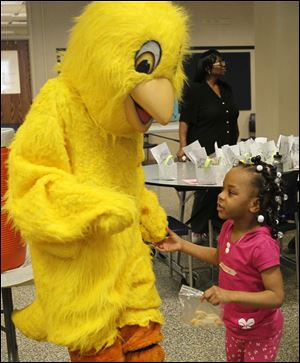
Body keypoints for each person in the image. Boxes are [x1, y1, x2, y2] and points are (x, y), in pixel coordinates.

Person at [154, 156, 285, 362]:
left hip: (260, 331)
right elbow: (220, 257)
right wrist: (182, 244)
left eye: (231, 192)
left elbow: (276, 296)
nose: (221, 196)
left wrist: (228, 295)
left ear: (254, 204)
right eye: (222, 189)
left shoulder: (262, 245)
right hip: (234, 324)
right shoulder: (228, 228)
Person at [177, 48, 239, 242]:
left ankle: (220, 225)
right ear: (206, 66)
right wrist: (183, 146)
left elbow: (232, 116)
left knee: (224, 188)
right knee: (206, 190)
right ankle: (198, 228)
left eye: (223, 61)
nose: (223, 65)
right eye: (218, 62)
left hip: (226, 149)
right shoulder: (194, 90)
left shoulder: (226, 88)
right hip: (203, 150)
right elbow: (184, 121)